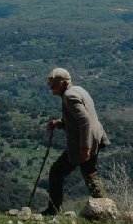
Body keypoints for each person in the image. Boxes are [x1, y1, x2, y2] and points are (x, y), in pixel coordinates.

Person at [42, 67, 109, 215]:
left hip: (84, 143)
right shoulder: (78, 90)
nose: (51, 87)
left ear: (64, 83)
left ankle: (53, 210)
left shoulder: (69, 97)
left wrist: (85, 148)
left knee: (56, 172)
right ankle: (105, 208)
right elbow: (78, 118)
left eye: (54, 84)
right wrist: (59, 123)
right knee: (90, 174)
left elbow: (84, 121)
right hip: (96, 137)